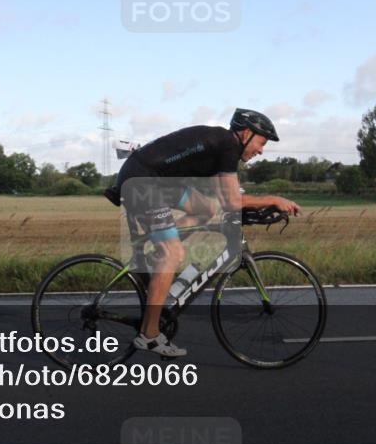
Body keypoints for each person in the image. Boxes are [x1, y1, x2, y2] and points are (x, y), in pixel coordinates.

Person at [104, 108, 301, 358]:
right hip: (143, 182)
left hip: (155, 180)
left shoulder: (222, 146)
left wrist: (254, 206)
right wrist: (272, 199)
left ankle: (159, 254)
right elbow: (231, 201)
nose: (261, 150)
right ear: (247, 133)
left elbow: (223, 197)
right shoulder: (228, 145)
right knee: (173, 253)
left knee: (206, 209)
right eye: (262, 142)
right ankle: (149, 335)